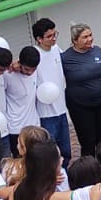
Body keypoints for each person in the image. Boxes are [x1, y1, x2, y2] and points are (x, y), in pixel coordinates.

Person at [61, 23, 101, 157]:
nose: (89, 39)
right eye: (85, 37)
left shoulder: (97, 51)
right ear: (74, 40)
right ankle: (89, 167)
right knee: (88, 141)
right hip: (80, 106)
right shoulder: (65, 58)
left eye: (90, 35)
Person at [32, 18, 72, 166]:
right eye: (49, 36)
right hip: (46, 113)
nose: (54, 38)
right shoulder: (35, 54)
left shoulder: (56, 49)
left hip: (61, 109)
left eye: (55, 34)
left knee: (66, 151)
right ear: (39, 39)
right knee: (51, 153)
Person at [4, 47, 42, 156]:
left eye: (33, 69)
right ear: (20, 63)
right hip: (15, 127)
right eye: (26, 69)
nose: (30, 72)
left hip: (34, 124)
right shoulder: (8, 74)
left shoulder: (36, 71)